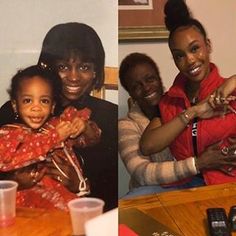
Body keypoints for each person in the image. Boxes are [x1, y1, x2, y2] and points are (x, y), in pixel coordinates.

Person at [0, 22, 118, 211]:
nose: (74, 77)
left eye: (84, 67)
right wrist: (12, 181)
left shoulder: (110, 116)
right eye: (63, 66)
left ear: (96, 72)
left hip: (85, 217)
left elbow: (115, 191)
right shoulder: (16, 112)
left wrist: (81, 184)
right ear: (48, 67)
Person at [141, 0, 236, 187]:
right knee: (131, 205)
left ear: (207, 46)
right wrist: (192, 112)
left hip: (226, 186)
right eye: (179, 55)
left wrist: (234, 80)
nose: (190, 60)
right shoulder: (169, 102)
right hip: (183, 185)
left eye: (194, 49)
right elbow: (147, 145)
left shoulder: (230, 92)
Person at [119, 52, 236, 197]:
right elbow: (142, 173)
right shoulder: (126, 125)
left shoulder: (179, 103)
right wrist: (197, 164)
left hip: (197, 185)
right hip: (152, 192)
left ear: (160, 79)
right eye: (137, 86)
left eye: (150, 79)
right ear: (131, 93)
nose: (146, 87)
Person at [0, 65, 101, 210]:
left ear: (52, 106)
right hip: (27, 206)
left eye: (44, 101)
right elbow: (9, 161)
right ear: (15, 106)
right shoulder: (9, 133)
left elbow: (92, 140)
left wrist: (83, 126)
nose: (36, 107)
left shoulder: (58, 126)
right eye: (28, 100)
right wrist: (54, 138)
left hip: (67, 200)